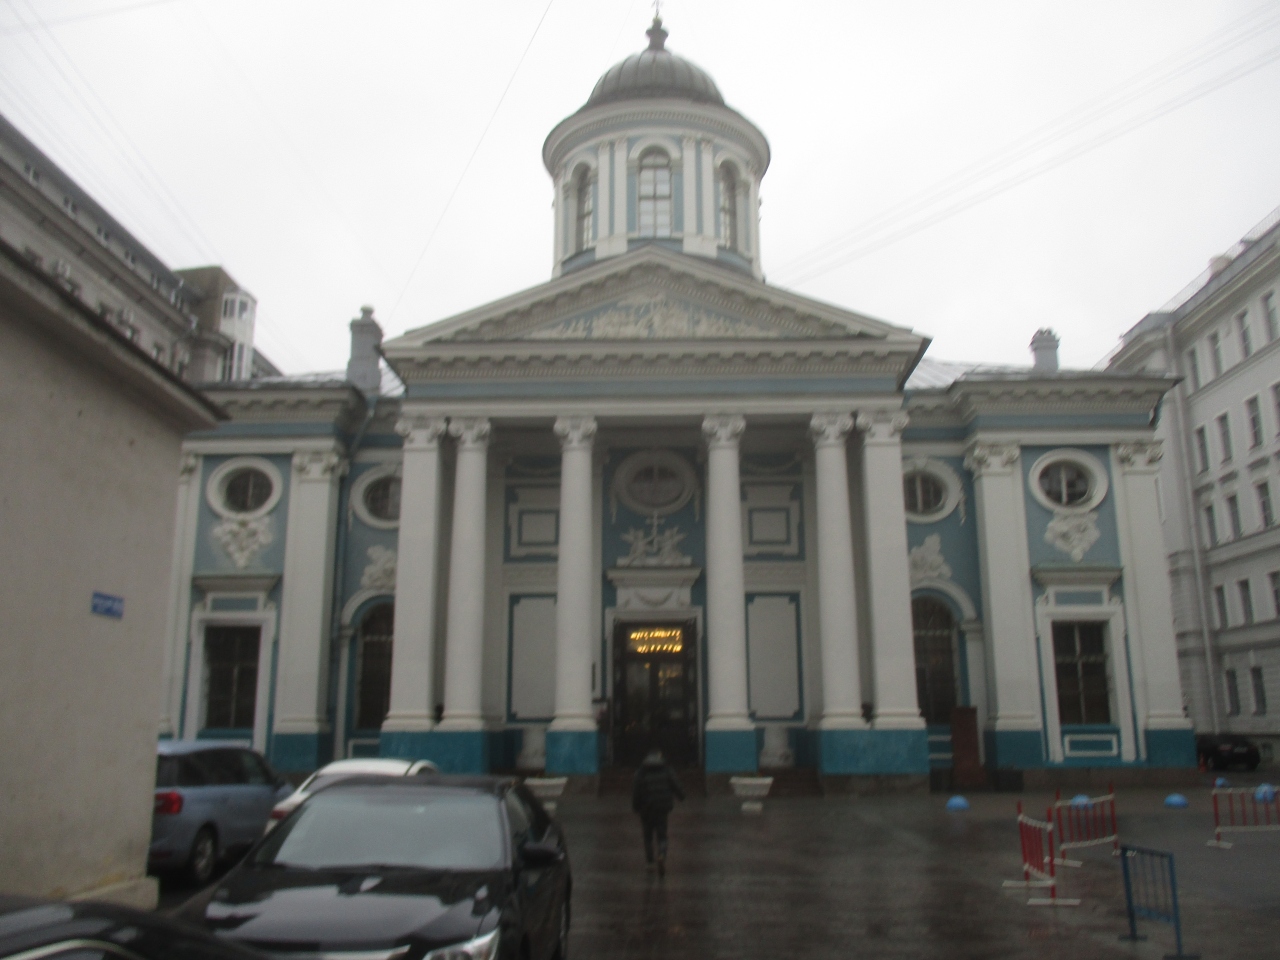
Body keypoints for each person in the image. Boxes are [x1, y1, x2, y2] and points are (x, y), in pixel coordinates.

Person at [631, 749, 684, 877]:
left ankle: (650, 863)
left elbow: (636, 791)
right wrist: (681, 796)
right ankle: (661, 855)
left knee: (648, 837)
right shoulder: (666, 770)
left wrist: (636, 807)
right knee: (662, 836)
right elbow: (675, 785)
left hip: (646, 810)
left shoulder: (641, 772)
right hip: (662, 809)